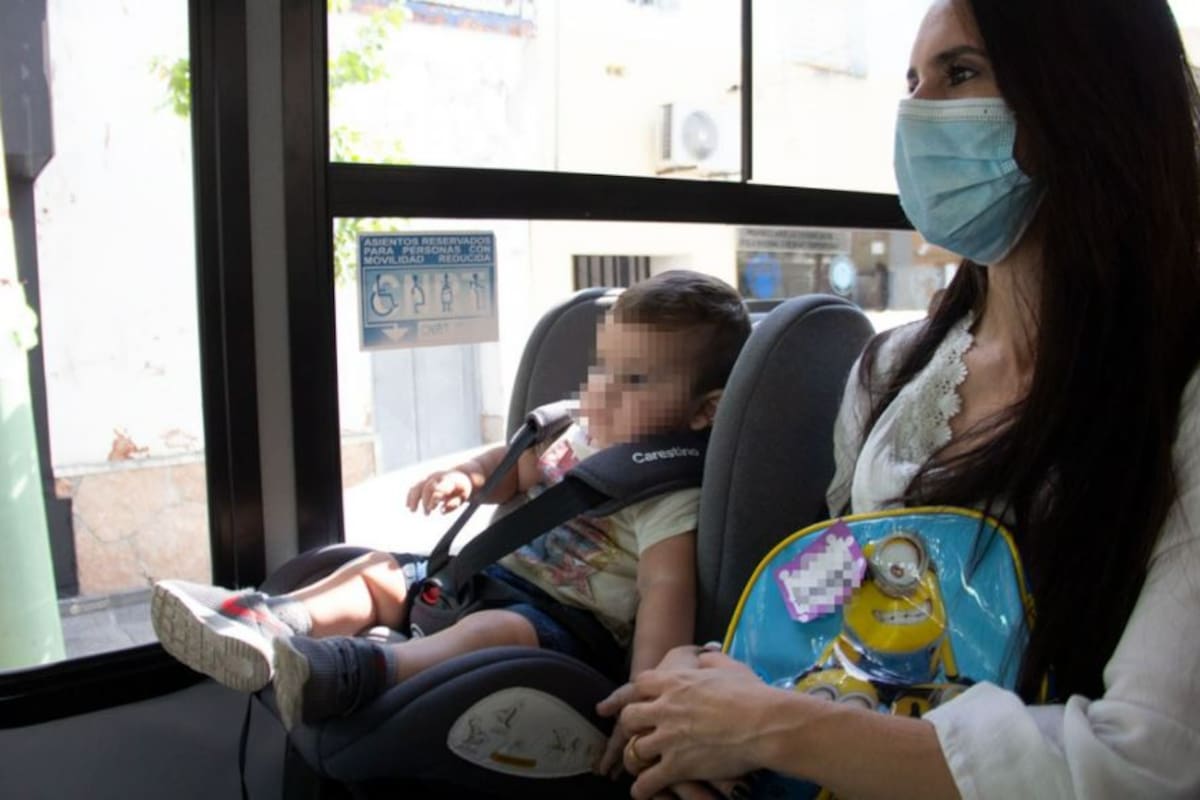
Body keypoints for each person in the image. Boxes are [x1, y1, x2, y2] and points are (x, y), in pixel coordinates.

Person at [596, 1, 1200, 798]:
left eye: (960, 73)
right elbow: (834, 611)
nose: (917, 114)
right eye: (912, 82)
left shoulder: (1177, 396)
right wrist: (711, 682)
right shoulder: (890, 369)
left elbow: (1148, 762)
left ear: (1091, 95)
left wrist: (766, 726)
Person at [151, 269, 752, 735]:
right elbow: (514, 468)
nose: (603, 390)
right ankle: (269, 619)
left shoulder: (670, 492)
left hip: (562, 629)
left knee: (495, 632)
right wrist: (468, 475)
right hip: (480, 578)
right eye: (604, 368)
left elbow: (663, 596)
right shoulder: (576, 432)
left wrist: (643, 703)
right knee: (380, 572)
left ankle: (348, 672)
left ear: (704, 410)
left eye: (637, 381)